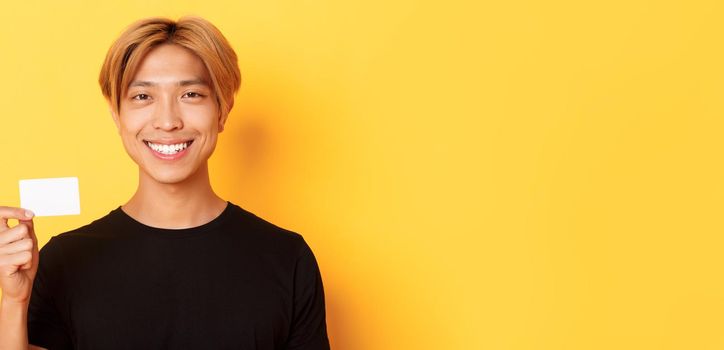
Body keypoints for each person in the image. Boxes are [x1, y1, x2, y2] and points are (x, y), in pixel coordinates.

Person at [0, 16, 330, 349]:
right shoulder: (63, 261)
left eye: (190, 94)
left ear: (223, 110)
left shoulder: (287, 259)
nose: (168, 121)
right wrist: (14, 303)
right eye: (142, 97)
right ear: (117, 115)